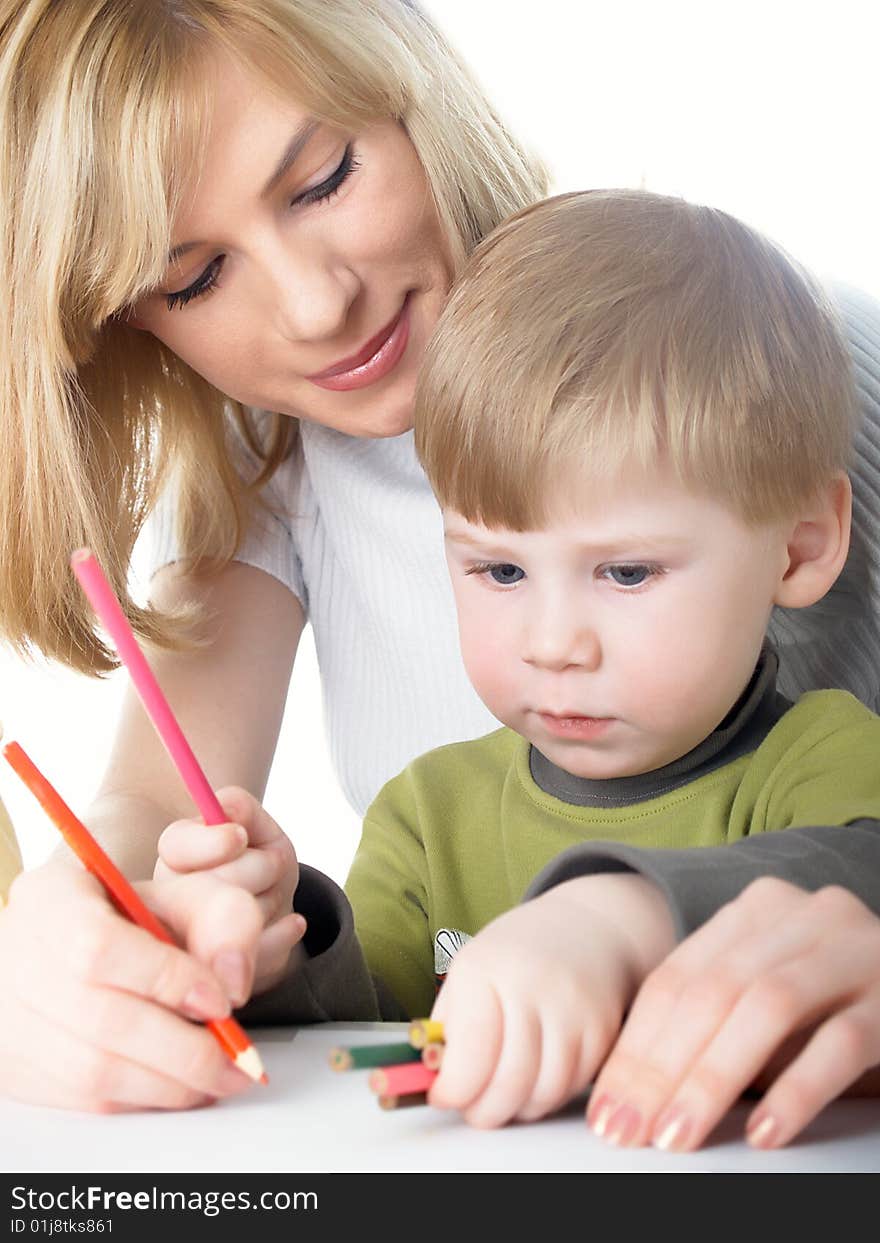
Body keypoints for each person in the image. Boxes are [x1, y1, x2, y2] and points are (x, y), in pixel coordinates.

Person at [0, 1, 877, 1141]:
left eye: (322, 181)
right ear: (129, 325)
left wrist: (628, 916)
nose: (318, 306)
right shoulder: (267, 466)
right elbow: (170, 811)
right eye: (197, 276)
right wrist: (97, 930)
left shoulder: (775, 359)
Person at [226, 189, 880, 1152]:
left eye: (625, 571)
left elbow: (860, 874)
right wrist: (277, 940)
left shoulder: (827, 761)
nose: (552, 642)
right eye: (499, 570)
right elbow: (353, 1048)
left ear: (800, 547)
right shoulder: (426, 815)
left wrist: (620, 916)